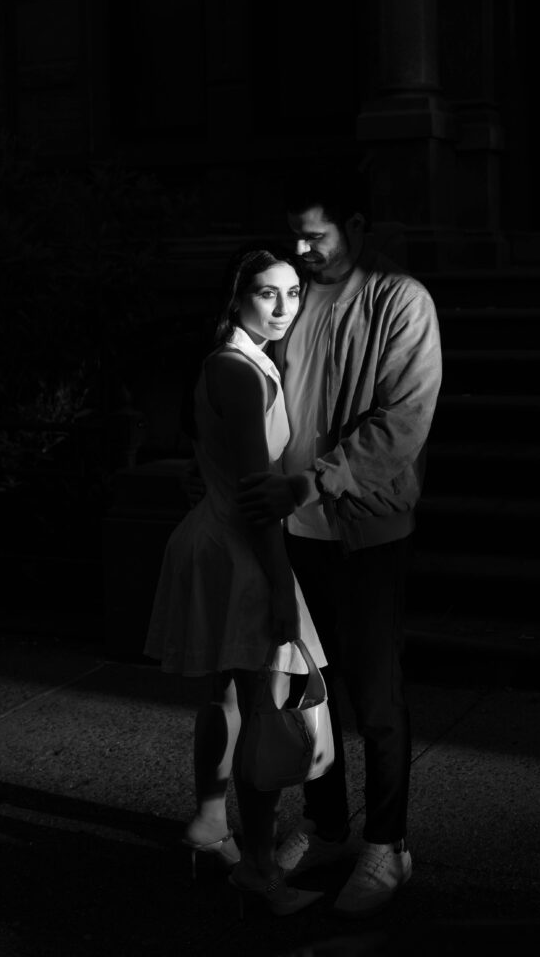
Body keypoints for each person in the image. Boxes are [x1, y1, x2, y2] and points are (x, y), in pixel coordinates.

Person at [237, 169, 442, 918]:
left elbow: (403, 422)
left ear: (355, 227)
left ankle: (387, 846)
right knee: (309, 687)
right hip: (296, 529)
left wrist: (312, 482)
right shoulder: (296, 298)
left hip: (366, 529)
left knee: (377, 696)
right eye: (294, 231)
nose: (299, 248)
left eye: (315, 234)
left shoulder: (400, 301)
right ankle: (327, 827)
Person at [144, 243, 326, 917]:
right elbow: (257, 497)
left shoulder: (231, 360)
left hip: (211, 536)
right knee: (260, 705)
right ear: (237, 296)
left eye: (292, 293)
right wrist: (281, 589)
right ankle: (256, 867)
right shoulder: (241, 371)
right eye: (266, 293)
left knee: (226, 695)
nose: (282, 307)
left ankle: (209, 822)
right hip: (236, 547)